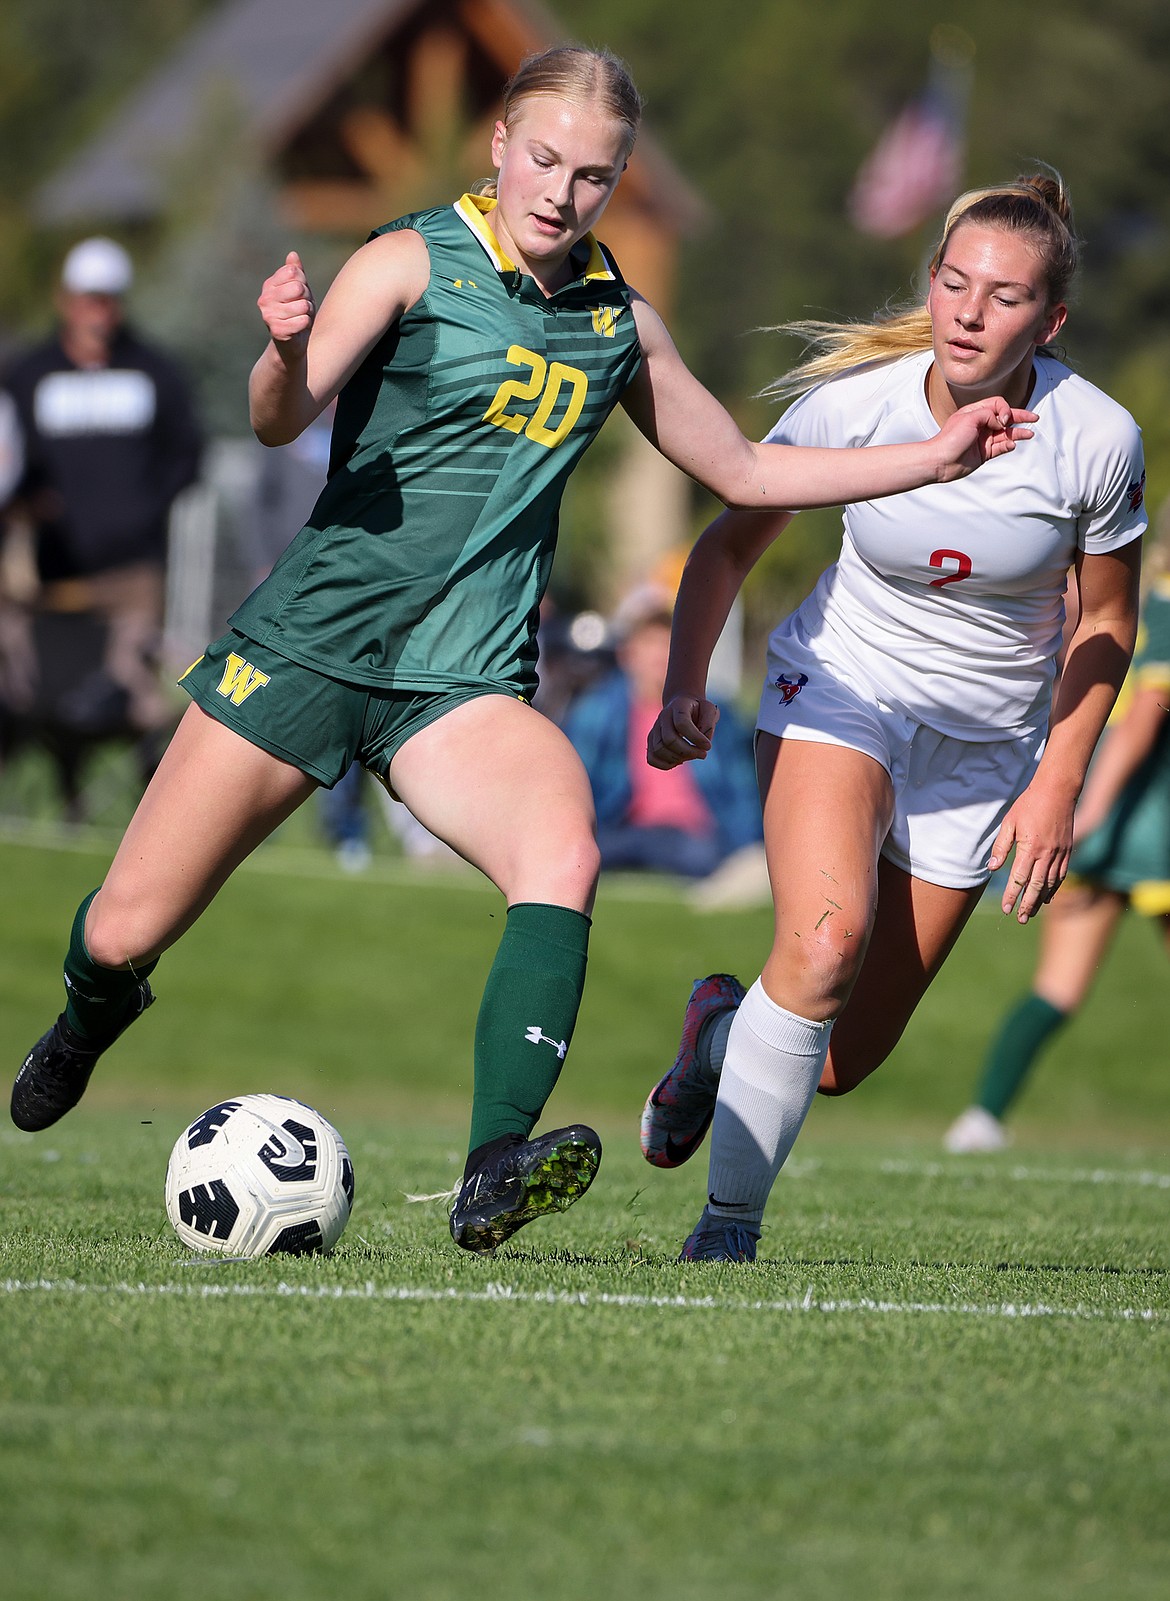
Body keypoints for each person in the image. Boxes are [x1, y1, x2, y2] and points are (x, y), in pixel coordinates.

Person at [10, 48, 1032, 1256]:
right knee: (125, 925)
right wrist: (283, 348)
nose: (562, 191)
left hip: (462, 678)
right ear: (499, 143)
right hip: (310, 646)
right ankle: (90, 1009)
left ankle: (494, 1164)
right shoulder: (408, 258)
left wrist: (939, 454)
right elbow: (278, 415)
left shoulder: (616, 318)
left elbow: (745, 472)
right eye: (545, 159)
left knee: (562, 845)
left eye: (594, 175)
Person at [638, 172, 1146, 1262]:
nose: (968, 312)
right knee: (823, 947)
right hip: (840, 689)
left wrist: (1058, 784)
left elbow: (1108, 623)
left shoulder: (1097, 440)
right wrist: (686, 684)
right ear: (931, 284)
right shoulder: (854, 404)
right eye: (953, 282)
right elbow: (727, 545)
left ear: (1050, 321)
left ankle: (717, 1036)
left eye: (1004, 296)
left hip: (982, 755)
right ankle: (728, 1229)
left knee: (836, 1055)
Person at [945, 532, 1170, 1152]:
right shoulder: (1163, 609)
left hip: (1103, 836)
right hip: (1148, 833)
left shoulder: (1128, 608)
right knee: (1058, 984)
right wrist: (1089, 810)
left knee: (1057, 987)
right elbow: (1143, 723)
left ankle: (981, 1118)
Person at [0, 237, 202, 808]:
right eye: (89, 298)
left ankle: (157, 811)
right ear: (67, 300)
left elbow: (186, 453)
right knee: (44, 688)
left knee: (127, 692)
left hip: (131, 570)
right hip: (49, 571)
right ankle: (64, 799)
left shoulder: (154, 370)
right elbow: (13, 462)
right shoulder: (29, 375)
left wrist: (144, 508)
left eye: (109, 299)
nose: (99, 311)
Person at [563, 585, 762, 878]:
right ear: (627, 654)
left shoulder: (715, 711)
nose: (658, 656)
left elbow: (741, 787)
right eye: (650, 645)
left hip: (693, 834)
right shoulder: (596, 710)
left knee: (697, 854)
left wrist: (748, 848)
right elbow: (575, 783)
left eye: (667, 645)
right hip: (623, 827)